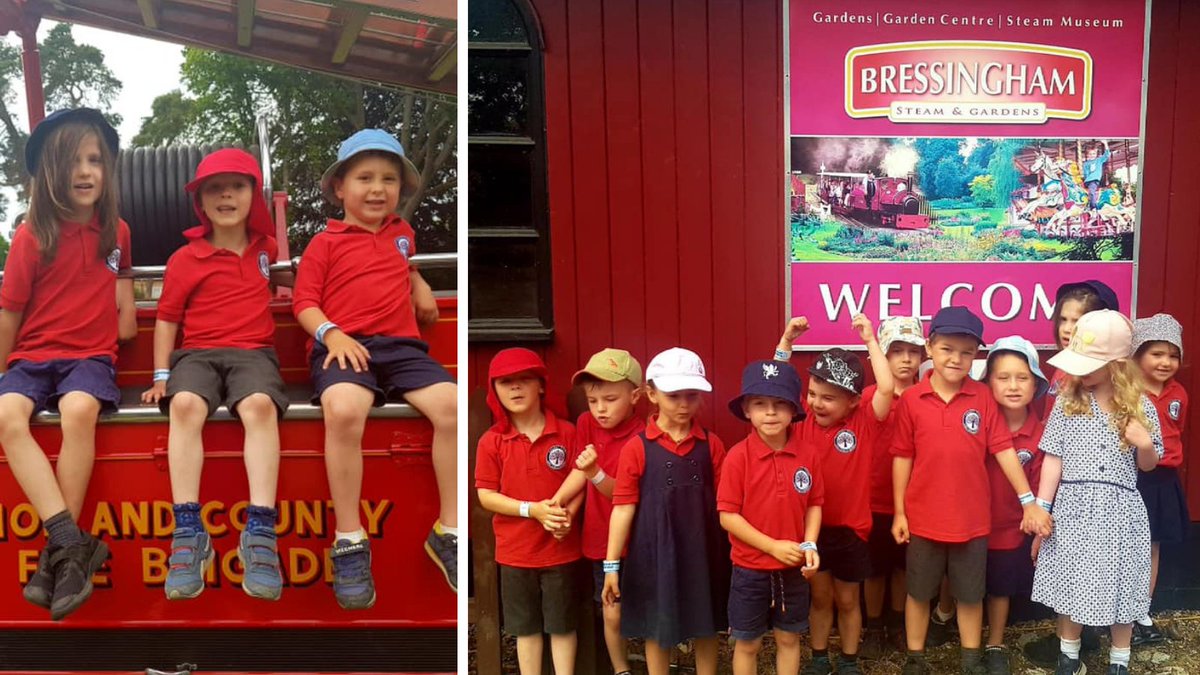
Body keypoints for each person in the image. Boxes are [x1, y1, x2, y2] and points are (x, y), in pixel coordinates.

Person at [292, 129, 458, 607]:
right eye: (364, 177)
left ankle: (447, 530)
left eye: (389, 179)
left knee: (451, 406)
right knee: (343, 410)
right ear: (340, 188)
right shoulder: (323, 244)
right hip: (345, 346)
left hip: (402, 347)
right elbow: (304, 303)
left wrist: (419, 279)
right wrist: (333, 334)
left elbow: (400, 262)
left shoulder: (402, 234)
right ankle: (349, 538)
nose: (377, 188)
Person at [0, 108, 136, 620]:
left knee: (80, 410)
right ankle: (68, 543)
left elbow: (124, 313)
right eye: (74, 161)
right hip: (31, 358)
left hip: (90, 358)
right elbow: (9, 316)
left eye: (96, 160)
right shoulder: (31, 237)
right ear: (50, 172)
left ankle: (60, 553)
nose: (87, 171)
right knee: (6, 418)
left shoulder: (116, 232)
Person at [140, 149, 289, 601]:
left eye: (238, 186)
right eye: (214, 188)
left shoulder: (267, 249)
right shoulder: (185, 258)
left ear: (253, 196)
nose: (226, 194)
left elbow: (295, 289)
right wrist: (162, 374)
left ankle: (260, 531)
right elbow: (166, 318)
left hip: (253, 355)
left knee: (261, 406)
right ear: (200, 203)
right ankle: (188, 530)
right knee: (183, 405)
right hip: (197, 356)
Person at [891, 306, 1052, 675]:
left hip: (973, 522)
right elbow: (902, 457)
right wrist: (900, 511)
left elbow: (1003, 449)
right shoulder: (913, 400)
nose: (956, 359)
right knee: (918, 593)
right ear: (930, 347)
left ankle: (970, 657)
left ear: (976, 356)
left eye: (967, 352)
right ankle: (915, 658)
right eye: (947, 348)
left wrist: (1028, 500)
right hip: (923, 519)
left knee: (969, 594)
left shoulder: (982, 398)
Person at [1032, 310, 1163, 675]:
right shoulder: (1068, 401)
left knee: (1121, 583)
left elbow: (1149, 465)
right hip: (1073, 508)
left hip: (1119, 512)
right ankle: (1068, 655)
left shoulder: (1139, 406)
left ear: (1118, 365)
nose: (1081, 371)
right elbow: (1053, 459)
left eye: (1091, 363)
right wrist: (1043, 507)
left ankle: (1119, 659)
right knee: (1071, 579)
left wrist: (1145, 444)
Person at [772, 314, 895, 675]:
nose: (817, 403)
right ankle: (820, 656)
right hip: (812, 531)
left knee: (847, 599)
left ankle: (849, 660)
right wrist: (786, 342)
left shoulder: (863, 423)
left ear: (854, 402)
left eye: (829, 398)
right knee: (821, 598)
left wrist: (871, 340)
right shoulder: (801, 422)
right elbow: (777, 384)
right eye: (812, 394)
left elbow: (885, 388)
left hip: (851, 531)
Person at [602, 348, 728, 675]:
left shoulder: (711, 444)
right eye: (674, 396)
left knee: (706, 622)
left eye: (691, 395)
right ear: (652, 394)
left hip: (703, 551)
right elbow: (623, 507)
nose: (684, 404)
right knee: (657, 627)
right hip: (654, 554)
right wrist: (612, 565)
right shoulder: (638, 447)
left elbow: (726, 502)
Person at [1026, 280, 1120, 665]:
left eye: (1078, 321)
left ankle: (1081, 641)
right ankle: (1069, 638)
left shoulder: (1087, 381)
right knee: (1061, 563)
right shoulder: (1060, 374)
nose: (1067, 328)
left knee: (1082, 566)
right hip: (1055, 481)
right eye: (1063, 319)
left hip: (1082, 487)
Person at [476, 348, 581, 675]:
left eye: (525, 380)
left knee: (563, 625)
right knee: (526, 628)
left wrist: (569, 516)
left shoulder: (566, 432)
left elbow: (582, 480)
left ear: (541, 386)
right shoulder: (492, 441)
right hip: (515, 553)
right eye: (507, 382)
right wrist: (531, 510)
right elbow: (486, 496)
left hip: (561, 550)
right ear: (495, 390)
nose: (516, 388)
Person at [718, 360, 822, 675]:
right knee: (747, 643)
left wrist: (810, 544)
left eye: (780, 404)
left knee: (789, 640)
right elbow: (728, 516)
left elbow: (815, 503)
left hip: (793, 569)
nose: (771, 412)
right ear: (747, 410)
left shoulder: (808, 454)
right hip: (750, 569)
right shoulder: (738, 457)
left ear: (794, 410)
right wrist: (772, 546)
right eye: (760, 404)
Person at [549, 348, 644, 675]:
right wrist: (557, 501)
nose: (600, 408)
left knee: (643, 610)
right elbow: (580, 466)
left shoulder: (641, 436)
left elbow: (624, 493)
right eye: (592, 400)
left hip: (636, 540)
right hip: (598, 538)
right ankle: (621, 670)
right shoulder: (586, 423)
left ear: (635, 396)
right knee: (610, 612)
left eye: (610, 399)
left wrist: (594, 474)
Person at [979, 337, 1050, 674]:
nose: (1012, 386)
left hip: (1010, 527)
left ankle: (995, 642)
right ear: (988, 381)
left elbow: (1041, 486)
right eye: (1003, 377)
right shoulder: (974, 424)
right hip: (969, 521)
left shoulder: (1040, 435)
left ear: (1035, 383)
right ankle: (945, 618)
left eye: (1022, 378)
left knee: (1000, 588)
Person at [861, 316, 926, 657]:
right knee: (875, 570)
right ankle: (873, 627)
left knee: (903, 569)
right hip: (874, 500)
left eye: (913, 351)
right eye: (896, 351)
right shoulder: (872, 396)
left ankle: (898, 624)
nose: (905, 359)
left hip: (914, 502)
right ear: (883, 357)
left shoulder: (927, 397)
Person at [1130, 313, 1189, 646]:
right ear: (1137, 354)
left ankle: (1143, 610)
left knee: (1152, 548)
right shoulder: (1130, 392)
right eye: (1157, 353)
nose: (1166, 362)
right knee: (1128, 547)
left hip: (1165, 481)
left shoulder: (1179, 392)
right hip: (1136, 478)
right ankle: (1116, 612)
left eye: (1173, 355)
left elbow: (1176, 434)